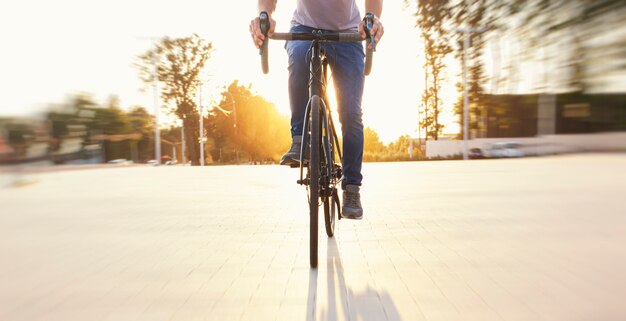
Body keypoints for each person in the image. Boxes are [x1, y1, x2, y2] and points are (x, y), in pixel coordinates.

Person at [250, 0, 384, 220]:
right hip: (304, 27)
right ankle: (300, 137)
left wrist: (372, 18)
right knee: (299, 60)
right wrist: (264, 14)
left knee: (351, 111)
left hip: (348, 31)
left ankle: (352, 188)